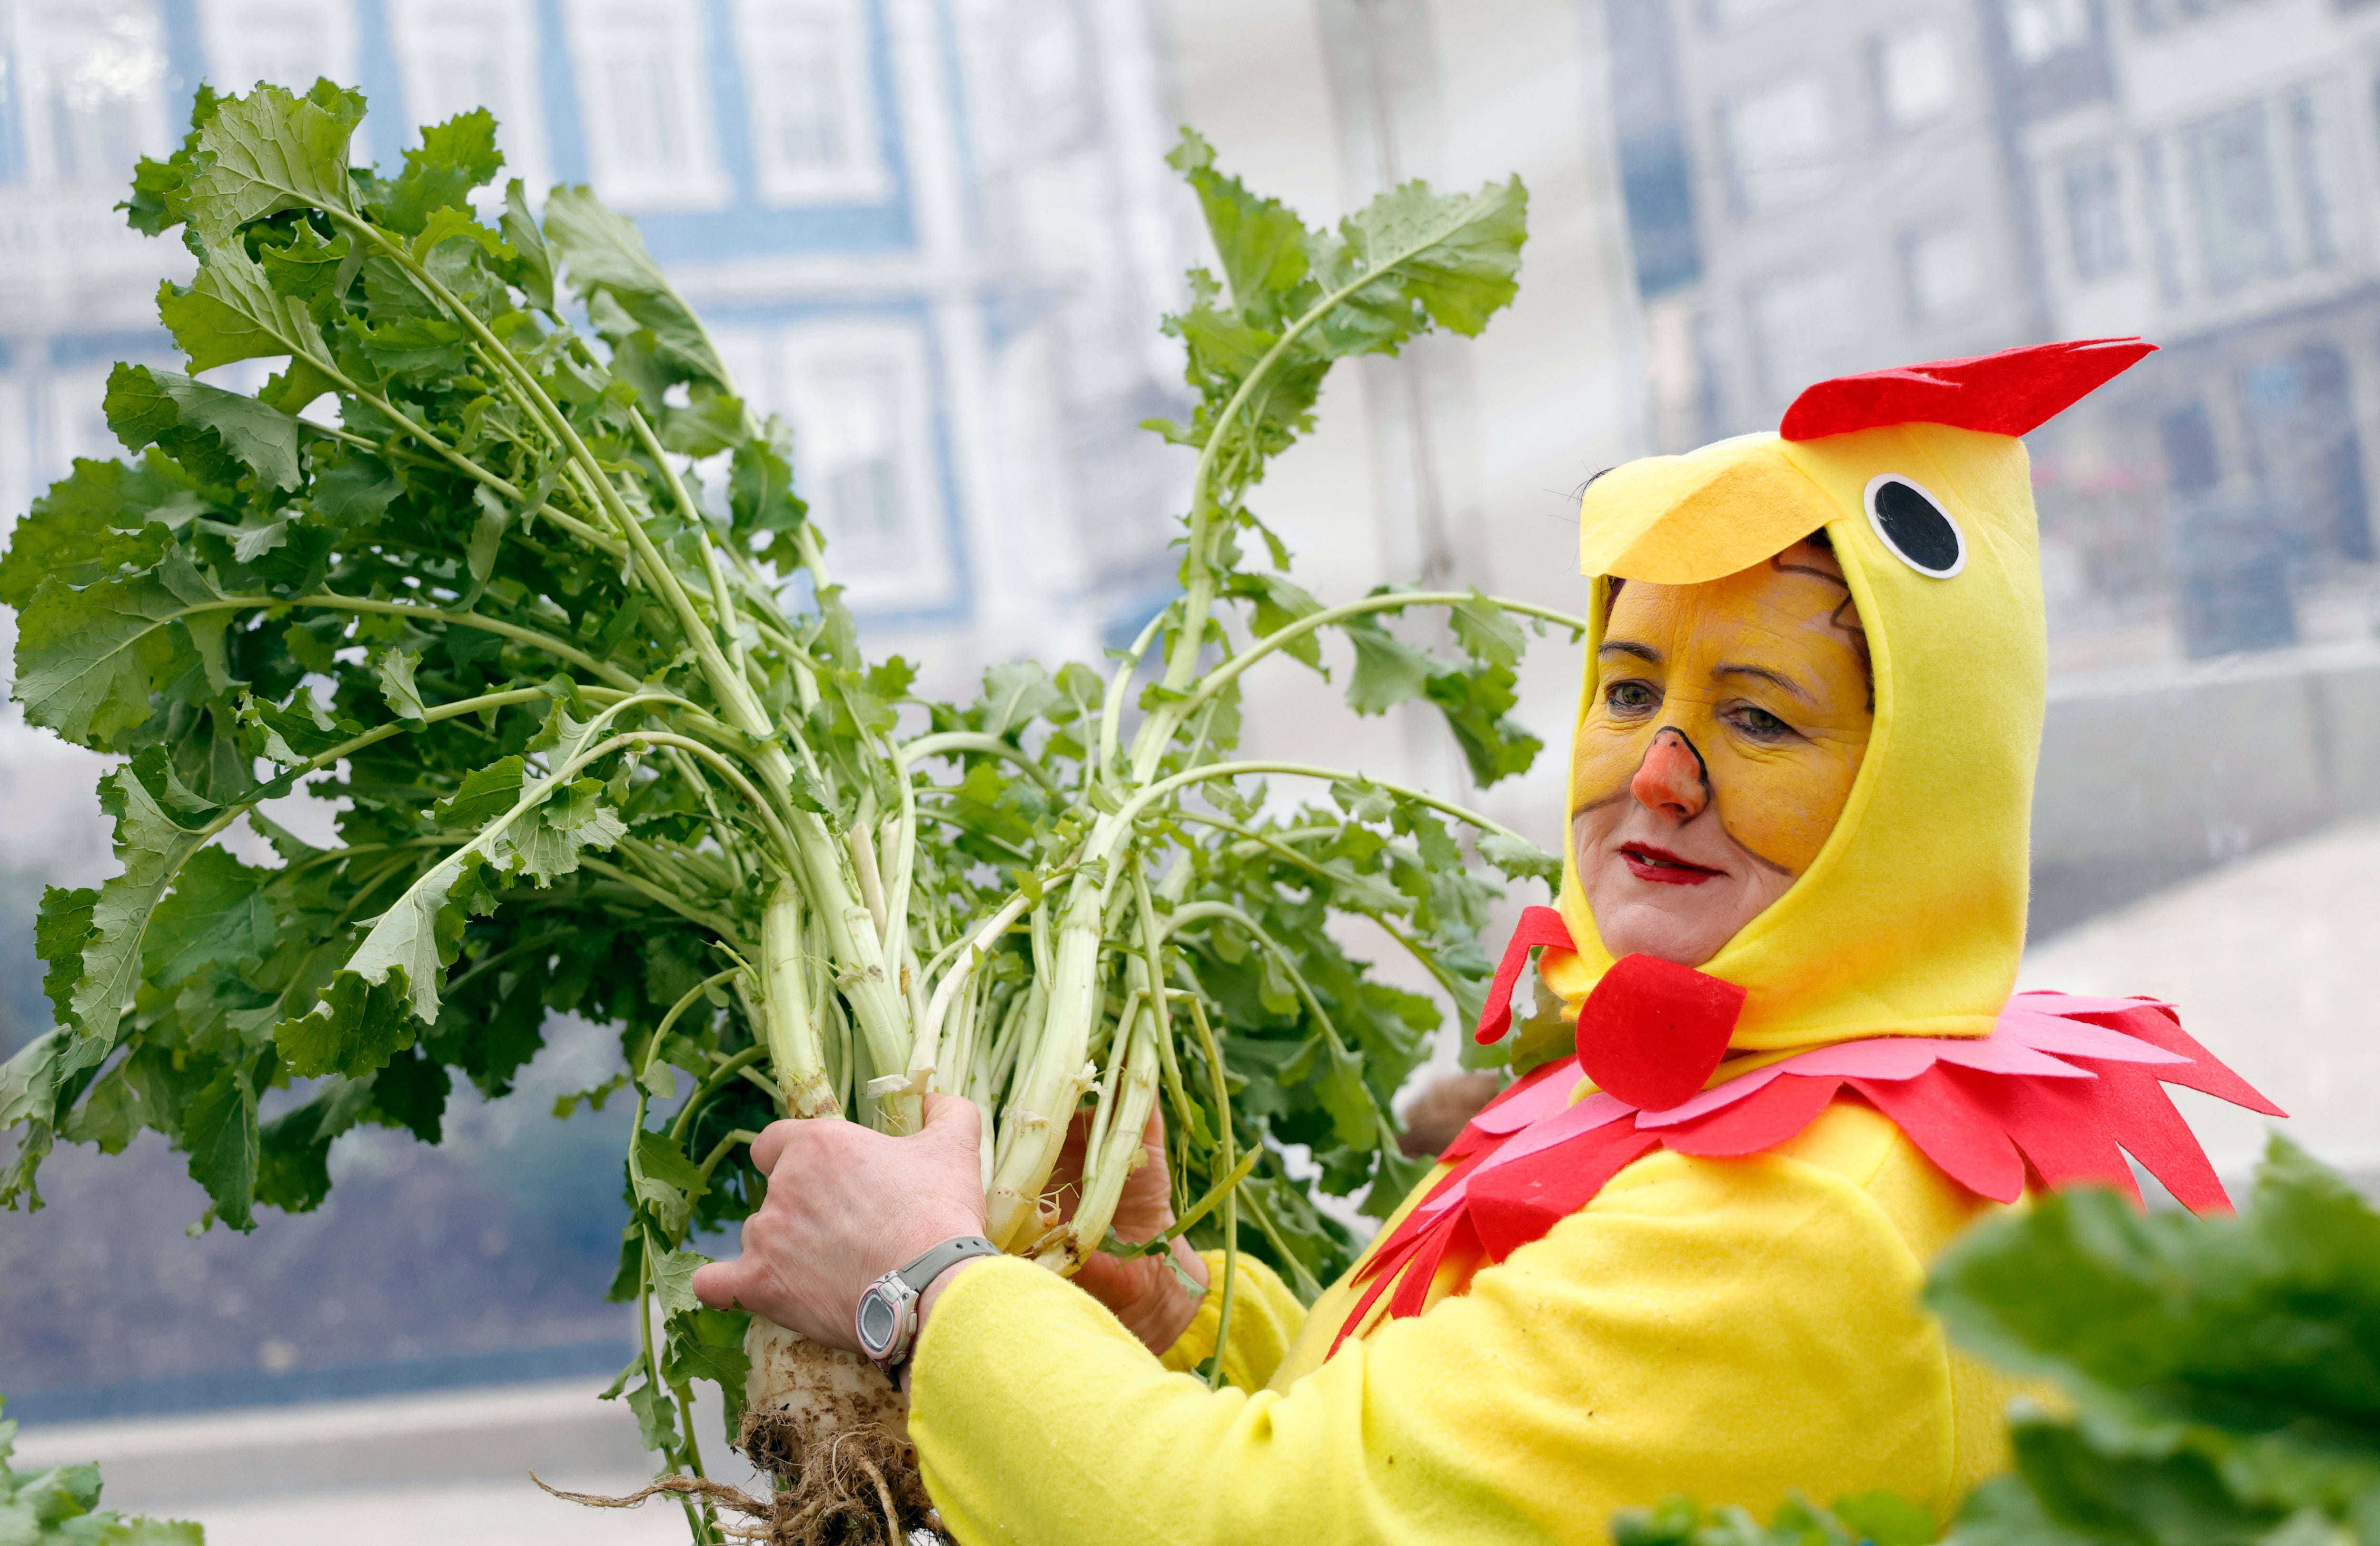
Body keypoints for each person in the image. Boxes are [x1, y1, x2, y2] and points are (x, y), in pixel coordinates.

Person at [693, 339, 2280, 1544]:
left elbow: (1269, 1526)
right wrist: (1170, 1311)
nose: (1656, 772)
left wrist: (922, 1283)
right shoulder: (1760, 1076)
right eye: (1634, 686)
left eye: (1758, 716)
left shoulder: (1814, 1213)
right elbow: (1446, 1434)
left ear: (1916, 793)